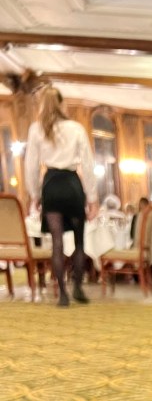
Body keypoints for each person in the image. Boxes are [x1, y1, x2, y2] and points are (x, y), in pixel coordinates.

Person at [24, 87, 98, 306]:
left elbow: (30, 165)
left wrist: (34, 195)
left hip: (51, 186)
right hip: (72, 185)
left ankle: (63, 295)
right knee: (79, 240)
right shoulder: (76, 128)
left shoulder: (36, 129)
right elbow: (87, 163)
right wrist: (92, 198)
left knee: (56, 243)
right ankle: (77, 287)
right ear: (61, 104)